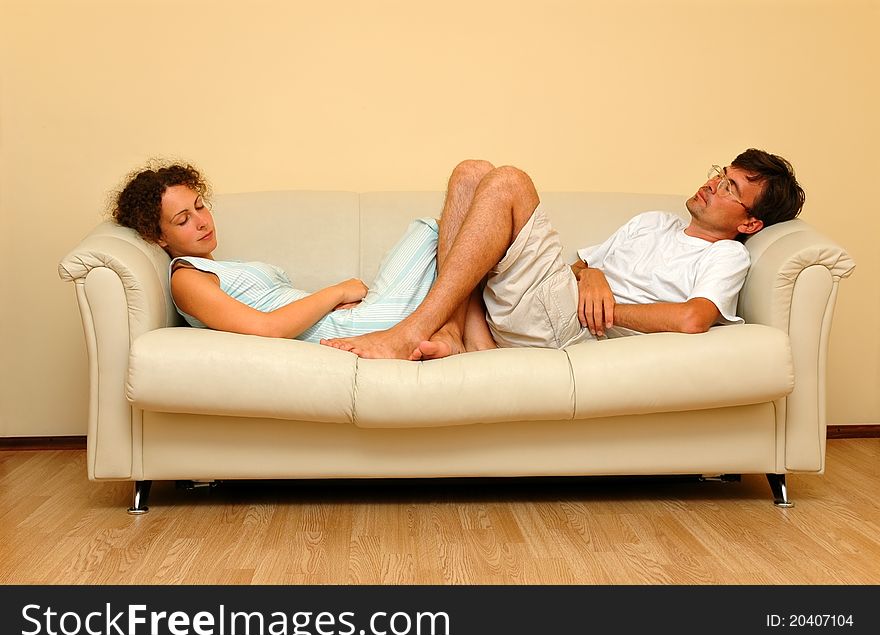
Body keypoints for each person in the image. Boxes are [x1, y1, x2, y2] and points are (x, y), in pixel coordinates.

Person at [320, 148, 805, 360]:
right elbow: (577, 265)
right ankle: (456, 334)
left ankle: (412, 332)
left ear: (749, 224)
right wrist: (590, 275)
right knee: (472, 172)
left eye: (729, 187)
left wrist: (603, 306)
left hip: (577, 329)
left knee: (509, 180)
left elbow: (693, 320)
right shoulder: (652, 223)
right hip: (558, 303)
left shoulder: (727, 258)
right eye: (720, 173)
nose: (711, 184)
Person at [111, 162, 445, 342]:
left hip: (350, 316)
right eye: (183, 219)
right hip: (351, 327)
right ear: (158, 237)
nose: (201, 222)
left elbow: (283, 307)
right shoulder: (187, 278)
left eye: (200, 206)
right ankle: (464, 335)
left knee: (453, 229)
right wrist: (337, 291)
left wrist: (336, 300)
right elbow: (267, 328)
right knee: (431, 230)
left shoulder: (218, 267)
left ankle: (458, 333)